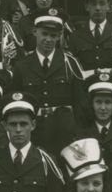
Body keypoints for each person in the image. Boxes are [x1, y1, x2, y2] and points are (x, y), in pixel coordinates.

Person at [8, 8, 85, 156]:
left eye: (53, 35)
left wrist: (78, 134)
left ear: (59, 36)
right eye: (44, 34)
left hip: (64, 133)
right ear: (35, 31)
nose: (48, 39)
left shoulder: (70, 64)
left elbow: (80, 104)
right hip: (32, 134)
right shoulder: (22, 66)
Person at [78, 72, 112, 164]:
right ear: (91, 104)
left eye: (108, 102)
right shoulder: (81, 132)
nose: (103, 108)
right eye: (98, 102)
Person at [68, 0, 112, 78]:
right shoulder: (76, 36)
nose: (98, 8)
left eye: (102, 3)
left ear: (108, 6)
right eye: (93, 4)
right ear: (87, 7)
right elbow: (72, 70)